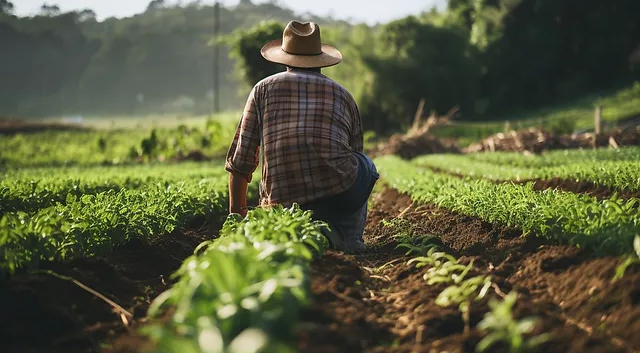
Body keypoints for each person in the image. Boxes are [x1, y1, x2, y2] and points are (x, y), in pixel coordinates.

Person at [225, 20, 379, 252]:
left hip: (281, 203)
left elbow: (241, 162)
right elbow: (353, 150)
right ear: (320, 61)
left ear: (285, 59)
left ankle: (292, 230)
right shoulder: (343, 94)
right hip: (336, 195)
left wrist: (236, 219)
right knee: (365, 164)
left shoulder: (262, 89)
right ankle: (349, 238)